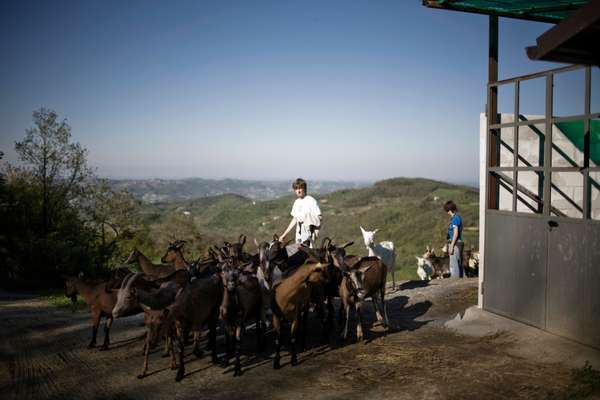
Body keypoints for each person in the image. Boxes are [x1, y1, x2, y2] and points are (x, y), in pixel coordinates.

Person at [280, 178, 322, 248]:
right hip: (299, 237)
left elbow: (319, 217)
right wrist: (284, 235)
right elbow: (295, 220)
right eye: (296, 189)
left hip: (308, 238)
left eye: (300, 188)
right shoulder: (296, 202)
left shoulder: (311, 200)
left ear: (304, 189)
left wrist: (307, 218)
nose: (298, 191)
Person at [444, 200, 463, 278]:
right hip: (455, 243)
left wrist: (451, 246)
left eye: (447, 210)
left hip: (455, 244)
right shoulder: (455, 218)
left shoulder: (455, 219)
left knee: (454, 266)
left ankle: (455, 282)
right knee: (457, 265)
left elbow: (455, 234)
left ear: (449, 210)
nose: (447, 212)